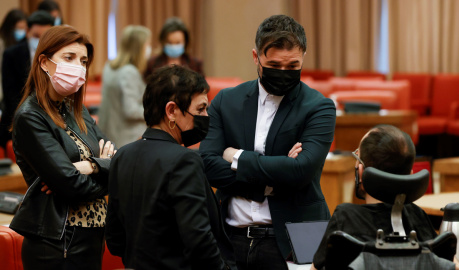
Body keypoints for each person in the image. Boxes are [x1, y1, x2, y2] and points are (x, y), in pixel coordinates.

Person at [199, 14, 336, 269]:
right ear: (256, 57)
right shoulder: (225, 101)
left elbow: (301, 171)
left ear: (303, 57)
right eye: (274, 65)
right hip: (231, 238)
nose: (283, 73)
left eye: (292, 66)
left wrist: (236, 157)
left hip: (297, 240)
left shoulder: (319, 107)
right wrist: (274, 175)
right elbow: (207, 165)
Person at [105, 65, 236, 270]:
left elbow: (114, 240)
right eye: (200, 109)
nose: (206, 117)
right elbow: (199, 242)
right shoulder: (184, 160)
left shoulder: (122, 155)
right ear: (172, 111)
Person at [9, 25, 115, 270]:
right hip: (58, 244)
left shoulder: (77, 111)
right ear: (44, 62)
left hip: (93, 236)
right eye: (69, 58)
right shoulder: (30, 116)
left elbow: (117, 162)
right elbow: (71, 185)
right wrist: (103, 166)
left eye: (84, 61)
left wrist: (89, 166)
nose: (79, 66)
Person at [311, 125, 459, 270]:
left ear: (361, 171)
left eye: (358, 156)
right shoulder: (418, 216)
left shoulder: (345, 216)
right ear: (410, 174)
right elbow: (455, 266)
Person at [0, 10, 54, 148]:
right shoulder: (12, 54)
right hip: (17, 116)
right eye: (36, 36)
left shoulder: (56, 55)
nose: (40, 40)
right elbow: (10, 94)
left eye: (44, 36)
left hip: (49, 116)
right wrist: (26, 119)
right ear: (27, 31)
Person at [98, 25, 150, 147]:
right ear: (138, 47)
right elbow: (131, 110)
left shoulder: (109, 66)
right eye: (147, 45)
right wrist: (155, 112)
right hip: (128, 137)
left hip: (111, 133)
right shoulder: (129, 72)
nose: (149, 48)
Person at [0, 9, 28, 104]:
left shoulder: (25, 45)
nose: (22, 32)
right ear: (10, 28)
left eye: (24, 29)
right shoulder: (2, 44)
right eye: (18, 29)